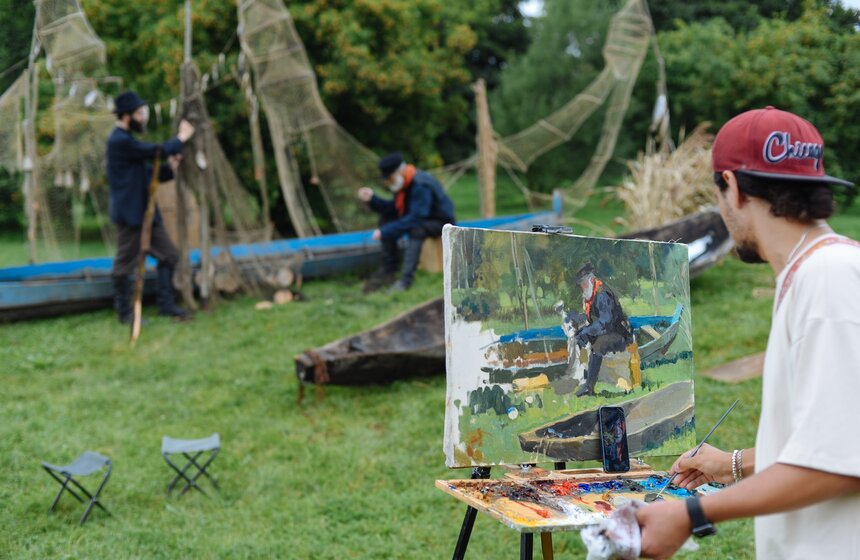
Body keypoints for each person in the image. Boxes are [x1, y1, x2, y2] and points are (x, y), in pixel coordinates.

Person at [635, 107, 860, 559]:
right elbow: (834, 434)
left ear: (732, 188)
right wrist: (733, 464)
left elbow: (843, 464)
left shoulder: (828, 279)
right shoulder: (819, 271)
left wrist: (692, 513)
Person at [107, 91, 195, 324]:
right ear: (126, 116)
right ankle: (124, 313)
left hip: (147, 212)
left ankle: (166, 305)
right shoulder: (119, 140)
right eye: (138, 114)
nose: (142, 118)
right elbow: (154, 152)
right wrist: (181, 138)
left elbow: (145, 174)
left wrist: (169, 169)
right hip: (131, 215)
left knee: (169, 255)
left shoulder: (128, 142)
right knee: (124, 265)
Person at [357, 152, 455, 292]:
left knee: (416, 229)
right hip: (424, 218)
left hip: (441, 222)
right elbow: (395, 209)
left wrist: (385, 232)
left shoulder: (420, 185)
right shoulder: (405, 184)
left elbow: (416, 218)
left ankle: (405, 281)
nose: (387, 182)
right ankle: (388, 270)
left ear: (398, 173)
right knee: (386, 219)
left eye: (389, 178)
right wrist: (372, 200)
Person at [565, 263, 634, 397]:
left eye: (583, 284)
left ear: (591, 280)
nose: (582, 287)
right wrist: (577, 321)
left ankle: (589, 386)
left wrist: (587, 331)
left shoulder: (602, 295)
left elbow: (605, 322)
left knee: (598, 345)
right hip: (607, 330)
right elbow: (592, 318)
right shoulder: (591, 295)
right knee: (579, 335)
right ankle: (580, 375)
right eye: (581, 285)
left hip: (618, 333)